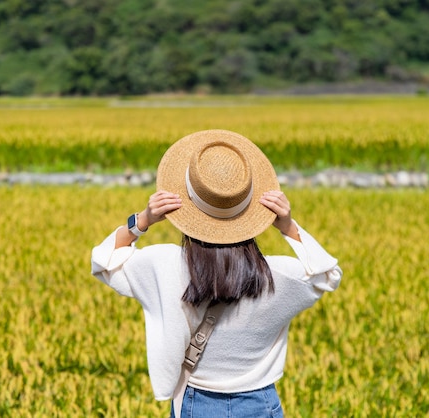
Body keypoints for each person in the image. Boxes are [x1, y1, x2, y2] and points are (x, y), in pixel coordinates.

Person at [91, 129, 343, 417]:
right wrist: (287, 226)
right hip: (261, 405)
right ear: (251, 209)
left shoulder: (165, 266)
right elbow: (328, 274)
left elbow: (104, 260)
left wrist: (143, 220)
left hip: (196, 405)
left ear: (186, 205)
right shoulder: (279, 275)